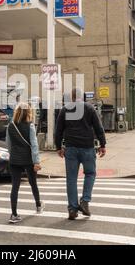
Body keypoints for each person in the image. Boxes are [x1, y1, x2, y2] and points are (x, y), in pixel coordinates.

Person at [55, 88, 106, 220]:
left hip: (71, 148)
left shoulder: (65, 109)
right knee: (90, 174)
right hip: (87, 147)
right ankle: (85, 201)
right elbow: (98, 127)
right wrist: (103, 144)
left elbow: (58, 130)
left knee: (71, 178)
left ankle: (72, 209)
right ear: (82, 97)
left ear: (71, 97)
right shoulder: (89, 108)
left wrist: (58, 147)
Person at [6, 103, 44, 224]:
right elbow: (34, 145)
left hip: (15, 160)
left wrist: (13, 154)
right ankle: (38, 205)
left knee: (15, 187)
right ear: (28, 112)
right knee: (33, 183)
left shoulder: (10, 126)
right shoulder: (30, 126)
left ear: (16, 112)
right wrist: (36, 161)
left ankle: (14, 214)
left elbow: (8, 144)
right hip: (28, 160)